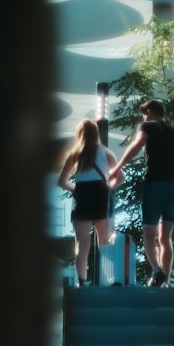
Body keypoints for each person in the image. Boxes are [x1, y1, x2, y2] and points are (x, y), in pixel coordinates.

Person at [108, 99, 174, 288]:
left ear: (150, 112)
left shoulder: (147, 126)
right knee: (165, 237)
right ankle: (164, 282)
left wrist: (117, 167)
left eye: (145, 113)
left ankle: (157, 270)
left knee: (148, 234)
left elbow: (136, 145)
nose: (144, 116)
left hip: (155, 184)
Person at [57, 119, 115, 287]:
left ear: (79, 134)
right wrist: (109, 186)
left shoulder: (75, 153)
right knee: (105, 242)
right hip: (102, 195)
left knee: (82, 246)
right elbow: (121, 176)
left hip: (82, 196)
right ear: (96, 134)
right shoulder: (105, 152)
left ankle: (81, 283)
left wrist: (77, 190)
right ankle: (108, 281)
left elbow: (62, 181)